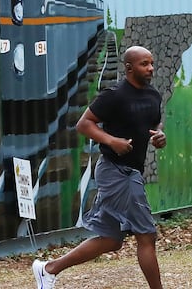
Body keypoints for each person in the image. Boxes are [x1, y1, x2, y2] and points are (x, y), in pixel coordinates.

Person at [32, 45, 167, 289]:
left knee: (112, 239)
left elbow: (155, 121)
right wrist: (111, 141)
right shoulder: (114, 96)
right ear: (128, 68)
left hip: (130, 171)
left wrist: (158, 135)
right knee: (146, 236)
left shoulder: (153, 95)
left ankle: (48, 268)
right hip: (117, 172)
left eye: (151, 63)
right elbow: (84, 124)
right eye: (144, 64)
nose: (150, 68)